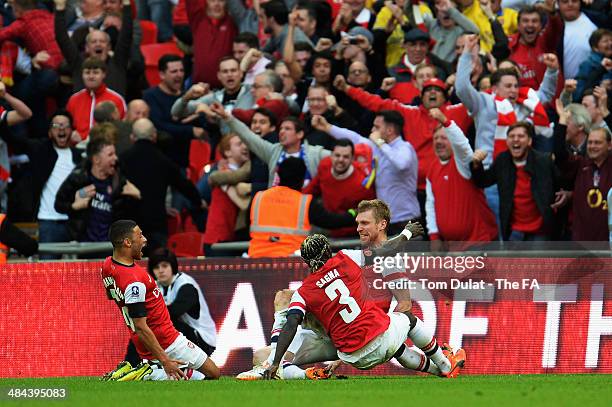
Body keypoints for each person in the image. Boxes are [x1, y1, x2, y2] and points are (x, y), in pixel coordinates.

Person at [262, 233, 465, 380]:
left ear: (305, 261)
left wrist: (275, 362)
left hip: (352, 357)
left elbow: (291, 322)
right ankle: (446, 363)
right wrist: (407, 233)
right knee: (409, 320)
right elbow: (382, 251)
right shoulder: (344, 258)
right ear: (327, 250)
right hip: (376, 336)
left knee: (396, 348)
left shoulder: (303, 292)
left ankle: (440, 372)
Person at [101, 220, 220, 381]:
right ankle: (149, 373)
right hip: (166, 338)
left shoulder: (108, 265)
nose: (144, 240)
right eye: (140, 235)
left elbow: (112, 294)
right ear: (128, 242)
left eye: (165, 266)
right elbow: (141, 325)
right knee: (214, 373)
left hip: (147, 339)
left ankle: (147, 369)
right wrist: (165, 361)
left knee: (190, 375)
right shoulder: (135, 279)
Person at [311, 110, 419, 236]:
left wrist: (379, 142)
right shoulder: (379, 148)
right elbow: (355, 138)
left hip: (406, 221)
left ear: (389, 130)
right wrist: (328, 127)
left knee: (408, 256)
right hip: (386, 222)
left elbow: (401, 164)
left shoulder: (405, 148)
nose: (372, 130)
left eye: (377, 127)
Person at [2, 111, 81, 259]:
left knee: (78, 272)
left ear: (71, 130)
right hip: (48, 222)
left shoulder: (79, 155)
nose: (61, 129)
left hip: (74, 222)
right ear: (50, 132)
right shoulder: (41, 149)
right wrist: (3, 117)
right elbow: (12, 139)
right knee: (48, 272)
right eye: (56, 125)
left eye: (66, 126)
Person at [119, 118, 203, 252]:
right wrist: (199, 201)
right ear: (154, 136)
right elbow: (184, 185)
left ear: (132, 137)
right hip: (155, 225)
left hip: (128, 224)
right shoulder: (163, 161)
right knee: (155, 267)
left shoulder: (122, 160)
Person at [246, 157, 355, 258]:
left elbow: (248, 223)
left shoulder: (259, 197)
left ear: (278, 175)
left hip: (256, 258)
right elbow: (332, 221)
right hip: (291, 261)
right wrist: (354, 214)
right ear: (302, 179)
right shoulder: (305, 202)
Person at [425, 108, 497, 251]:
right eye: (435, 138)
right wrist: (434, 236)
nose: (439, 142)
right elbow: (430, 205)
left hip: (477, 242)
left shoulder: (462, 163)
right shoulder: (432, 169)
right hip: (451, 246)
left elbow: (462, 145)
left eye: (443, 138)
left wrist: (445, 121)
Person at [54, 135, 140, 243]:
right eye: (110, 155)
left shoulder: (120, 183)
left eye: (115, 153)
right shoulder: (79, 179)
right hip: (83, 248)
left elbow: (128, 217)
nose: (116, 158)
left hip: (109, 248)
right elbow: (58, 205)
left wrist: (137, 197)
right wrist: (73, 207)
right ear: (96, 159)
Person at [149, 249, 217, 356]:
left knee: (166, 324)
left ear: (172, 266)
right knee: (143, 329)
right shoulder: (155, 286)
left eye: (164, 266)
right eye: (156, 267)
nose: (160, 270)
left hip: (203, 341)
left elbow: (174, 312)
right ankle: (134, 364)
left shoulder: (186, 284)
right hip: (183, 337)